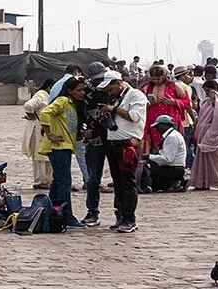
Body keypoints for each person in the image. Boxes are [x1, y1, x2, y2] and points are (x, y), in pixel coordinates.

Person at [94, 71, 146, 232]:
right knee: (118, 183)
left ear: (118, 83)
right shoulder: (116, 99)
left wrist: (113, 110)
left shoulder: (136, 95)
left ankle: (130, 219)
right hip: (113, 143)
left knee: (128, 182)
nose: (109, 93)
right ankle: (120, 215)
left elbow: (135, 116)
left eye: (110, 89)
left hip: (128, 145)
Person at [37, 76, 85, 227]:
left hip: (64, 147)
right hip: (57, 147)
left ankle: (52, 210)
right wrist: (49, 132)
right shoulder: (63, 101)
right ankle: (66, 214)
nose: (82, 93)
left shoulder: (72, 105)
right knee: (64, 182)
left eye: (83, 90)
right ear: (69, 91)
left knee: (58, 181)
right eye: (79, 90)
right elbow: (45, 112)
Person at [191, 77, 218, 191]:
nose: (207, 93)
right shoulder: (205, 102)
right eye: (205, 91)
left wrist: (215, 101)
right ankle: (203, 182)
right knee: (204, 159)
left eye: (209, 90)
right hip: (203, 134)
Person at [145, 115, 188, 193]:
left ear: (165, 125)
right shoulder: (172, 135)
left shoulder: (172, 137)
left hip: (173, 169)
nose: (157, 129)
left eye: (158, 126)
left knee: (148, 174)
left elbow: (168, 159)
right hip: (175, 168)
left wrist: (149, 157)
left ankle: (173, 184)